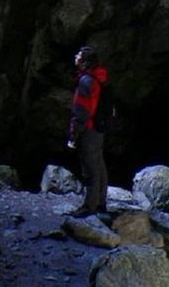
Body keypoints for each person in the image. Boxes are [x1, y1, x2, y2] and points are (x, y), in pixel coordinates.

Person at [66, 45, 109, 217]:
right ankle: (100, 202)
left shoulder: (86, 81)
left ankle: (89, 207)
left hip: (89, 129)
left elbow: (82, 112)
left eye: (78, 55)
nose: (75, 56)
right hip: (100, 128)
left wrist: (73, 134)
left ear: (84, 62)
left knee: (90, 169)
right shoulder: (100, 77)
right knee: (99, 165)